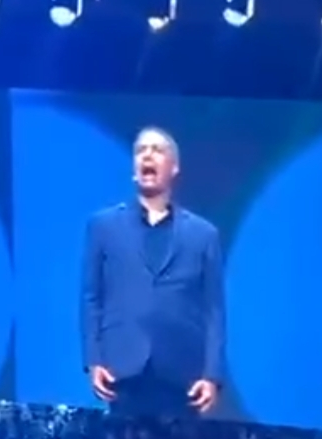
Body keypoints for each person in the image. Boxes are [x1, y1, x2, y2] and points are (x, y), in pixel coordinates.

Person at [81, 126, 226, 418]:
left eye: (157, 150)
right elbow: (91, 297)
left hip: (182, 376)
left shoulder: (203, 234)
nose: (147, 155)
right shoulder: (103, 226)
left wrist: (212, 375)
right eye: (141, 150)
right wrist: (93, 359)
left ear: (174, 167)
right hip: (123, 371)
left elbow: (214, 309)